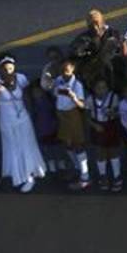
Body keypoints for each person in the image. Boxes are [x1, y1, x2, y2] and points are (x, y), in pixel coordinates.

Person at [0, 56, 44, 193]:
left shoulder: (21, 78)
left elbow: (29, 95)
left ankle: (30, 176)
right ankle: (19, 174)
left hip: (23, 118)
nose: (8, 71)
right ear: (0, 69)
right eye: (5, 69)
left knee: (26, 146)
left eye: (10, 68)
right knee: (14, 147)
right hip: (7, 121)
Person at [52, 58, 90, 190]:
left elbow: (82, 105)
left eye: (67, 71)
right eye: (62, 70)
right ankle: (77, 168)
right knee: (67, 144)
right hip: (61, 116)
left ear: (73, 70)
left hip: (72, 115)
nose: (64, 73)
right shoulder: (58, 81)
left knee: (78, 145)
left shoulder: (77, 85)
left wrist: (73, 97)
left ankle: (85, 177)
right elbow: (54, 93)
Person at [68, 9, 122, 90]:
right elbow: (73, 51)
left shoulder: (113, 33)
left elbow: (120, 48)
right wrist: (82, 49)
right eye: (91, 25)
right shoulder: (85, 38)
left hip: (112, 67)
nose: (94, 27)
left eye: (96, 23)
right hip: (93, 71)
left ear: (102, 21)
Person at [85, 78, 122, 190]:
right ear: (94, 89)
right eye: (98, 88)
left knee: (113, 151)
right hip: (98, 127)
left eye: (104, 87)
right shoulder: (90, 99)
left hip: (110, 126)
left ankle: (117, 176)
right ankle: (103, 176)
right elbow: (86, 116)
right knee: (100, 152)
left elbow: (118, 113)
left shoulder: (113, 97)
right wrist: (94, 125)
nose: (101, 90)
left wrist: (113, 113)